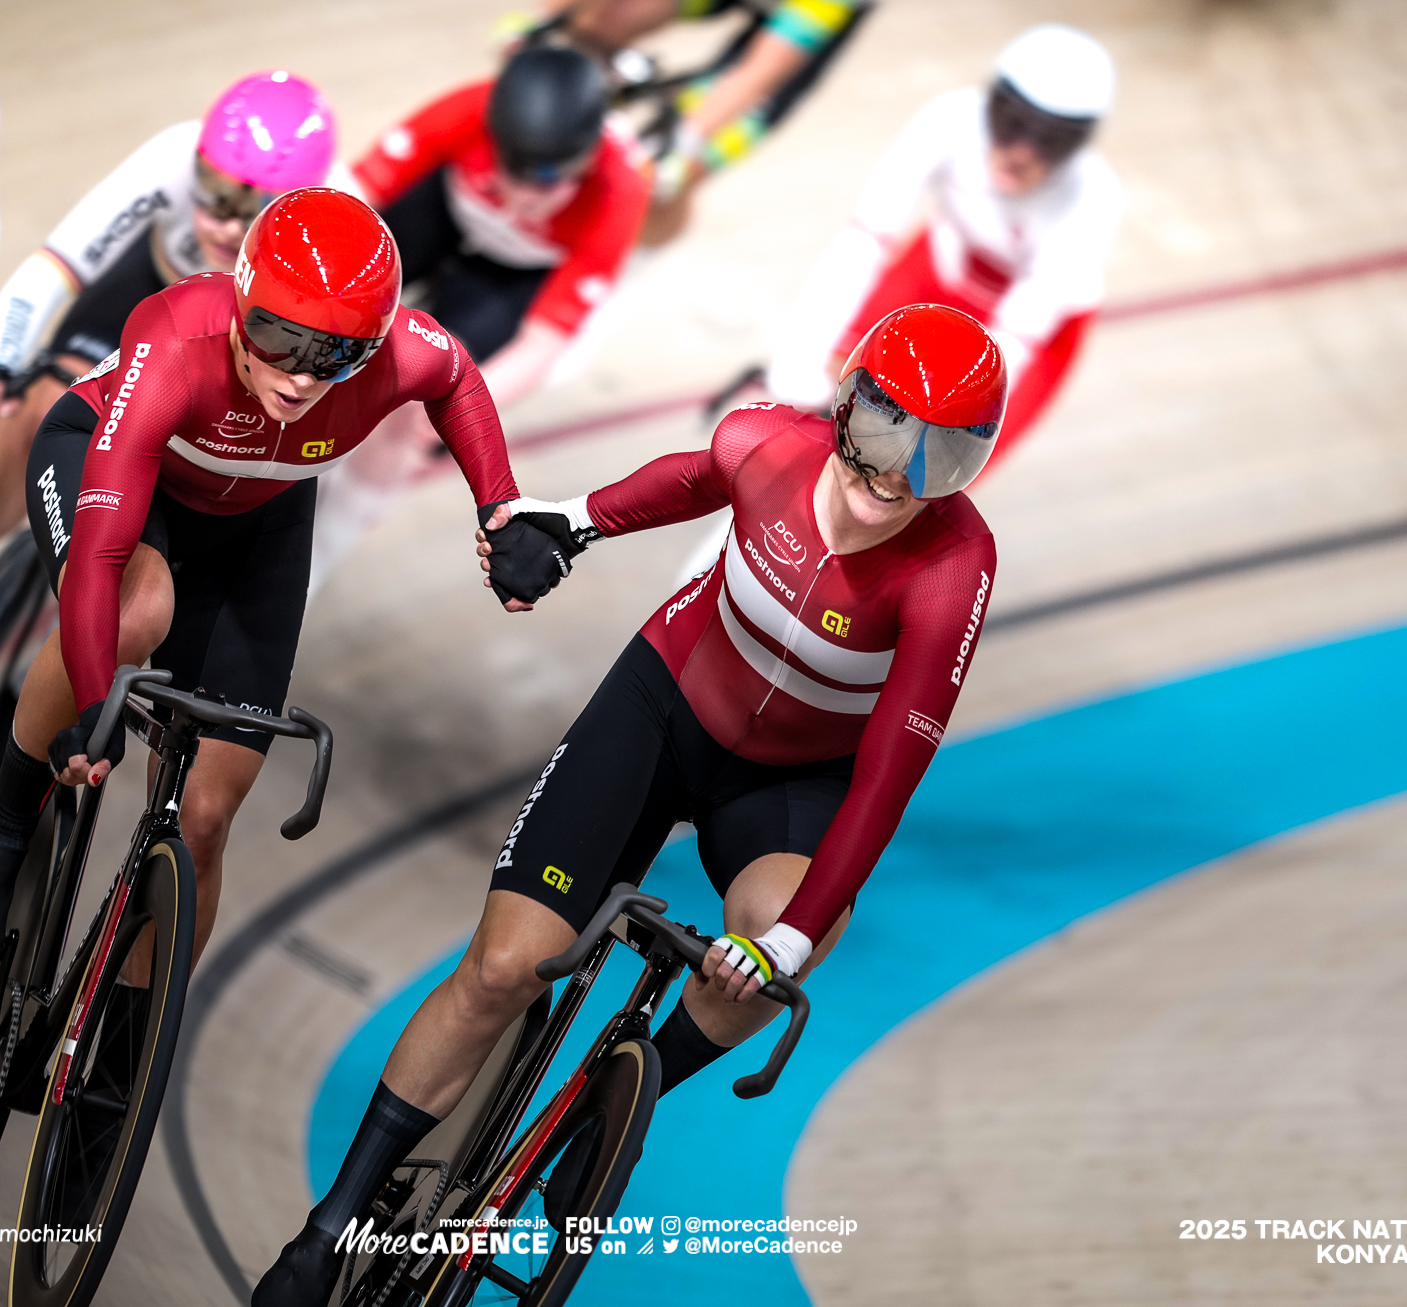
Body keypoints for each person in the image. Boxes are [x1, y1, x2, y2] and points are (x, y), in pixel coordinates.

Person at [255, 303, 1005, 1305]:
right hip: (662, 711)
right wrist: (570, 521)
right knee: (503, 968)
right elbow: (688, 480)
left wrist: (782, 947)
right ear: (847, 405)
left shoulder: (954, 568)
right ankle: (331, 1222)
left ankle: (614, 1101)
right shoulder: (762, 442)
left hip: (792, 782)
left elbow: (888, 772)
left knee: (798, 936)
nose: (895, 479)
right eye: (881, 437)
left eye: (937, 460)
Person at [0, 189, 572, 1028]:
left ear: (373, 346)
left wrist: (502, 508)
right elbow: (100, 556)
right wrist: (93, 704)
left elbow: (456, 378)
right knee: (139, 610)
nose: (302, 375)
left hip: (258, 519)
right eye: (278, 339)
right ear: (239, 302)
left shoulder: (396, 356)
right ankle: (7, 815)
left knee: (203, 815)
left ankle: (122, 1048)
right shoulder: (173, 340)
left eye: (336, 354)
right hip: (120, 465)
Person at [0, 70, 350, 698]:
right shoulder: (170, 155)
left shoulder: (329, 231)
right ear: (197, 164)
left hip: (243, 347)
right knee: (43, 404)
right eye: (212, 193)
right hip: (145, 299)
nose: (226, 226)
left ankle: (41, 681)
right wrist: (1, 364)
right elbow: (54, 268)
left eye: (254, 210)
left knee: (164, 511)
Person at [306, 44, 650, 593]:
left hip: (515, 273)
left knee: (420, 402)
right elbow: (351, 192)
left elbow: (542, 344)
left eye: (545, 183)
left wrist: (458, 405)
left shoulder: (622, 189)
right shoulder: (468, 109)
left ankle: (328, 542)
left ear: (587, 160)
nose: (522, 199)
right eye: (510, 172)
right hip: (444, 211)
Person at [767, 23, 1122, 461]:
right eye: (1011, 124)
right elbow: (863, 242)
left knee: (924, 475)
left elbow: (1017, 336)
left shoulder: (1094, 199)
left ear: (1079, 146)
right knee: (821, 399)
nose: (1023, 152)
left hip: (1029, 331)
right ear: (989, 104)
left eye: (1052, 141)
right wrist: (798, 357)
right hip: (941, 267)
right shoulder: (949, 120)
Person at [518, 0, 873, 245]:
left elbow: (754, 77)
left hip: (807, 16)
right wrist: (544, 19)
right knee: (606, 19)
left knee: (675, 169)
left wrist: (681, 144)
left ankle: (634, 250)